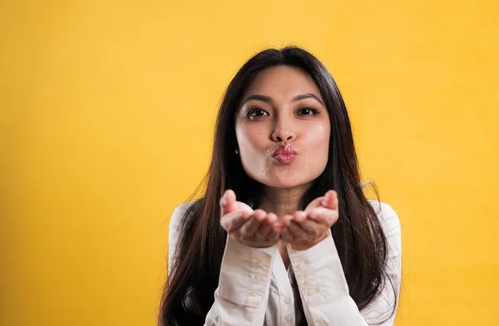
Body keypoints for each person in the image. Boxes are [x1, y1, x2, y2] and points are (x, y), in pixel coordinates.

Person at [159, 46, 401, 326]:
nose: (283, 131)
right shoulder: (192, 222)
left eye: (306, 111)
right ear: (232, 138)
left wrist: (315, 253)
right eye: (258, 113)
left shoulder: (376, 223)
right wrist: (245, 256)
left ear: (334, 130)